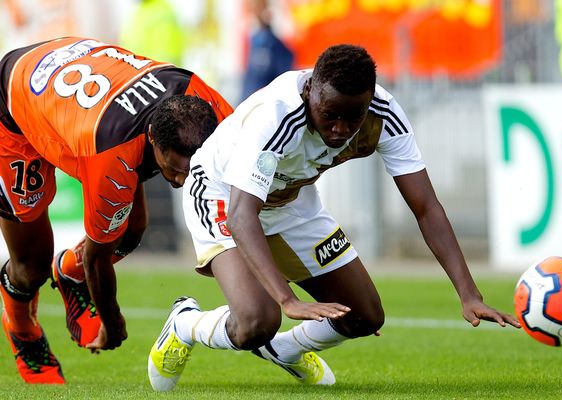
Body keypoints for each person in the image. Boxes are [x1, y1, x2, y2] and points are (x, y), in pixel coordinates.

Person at [147, 44, 521, 392]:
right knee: (257, 322)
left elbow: (426, 206)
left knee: (364, 317)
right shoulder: (276, 117)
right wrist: (287, 299)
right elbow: (243, 215)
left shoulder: (384, 115)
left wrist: (468, 293)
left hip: (291, 201)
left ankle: (284, 351)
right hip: (223, 193)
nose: (340, 129)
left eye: (352, 117)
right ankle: (185, 324)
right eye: (330, 115)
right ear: (310, 90)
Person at [0, 37, 233, 384]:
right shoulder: (112, 155)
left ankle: (68, 271)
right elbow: (98, 257)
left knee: (133, 230)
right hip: (13, 107)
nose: (182, 181)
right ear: (153, 139)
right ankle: (24, 334)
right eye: (173, 170)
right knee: (32, 266)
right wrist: (113, 323)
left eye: (190, 169)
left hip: (83, 83)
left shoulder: (211, 106)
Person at [239, 0, 294, 102]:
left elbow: (285, 80)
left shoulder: (274, 43)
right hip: (249, 104)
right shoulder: (254, 40)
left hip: (267, 105)